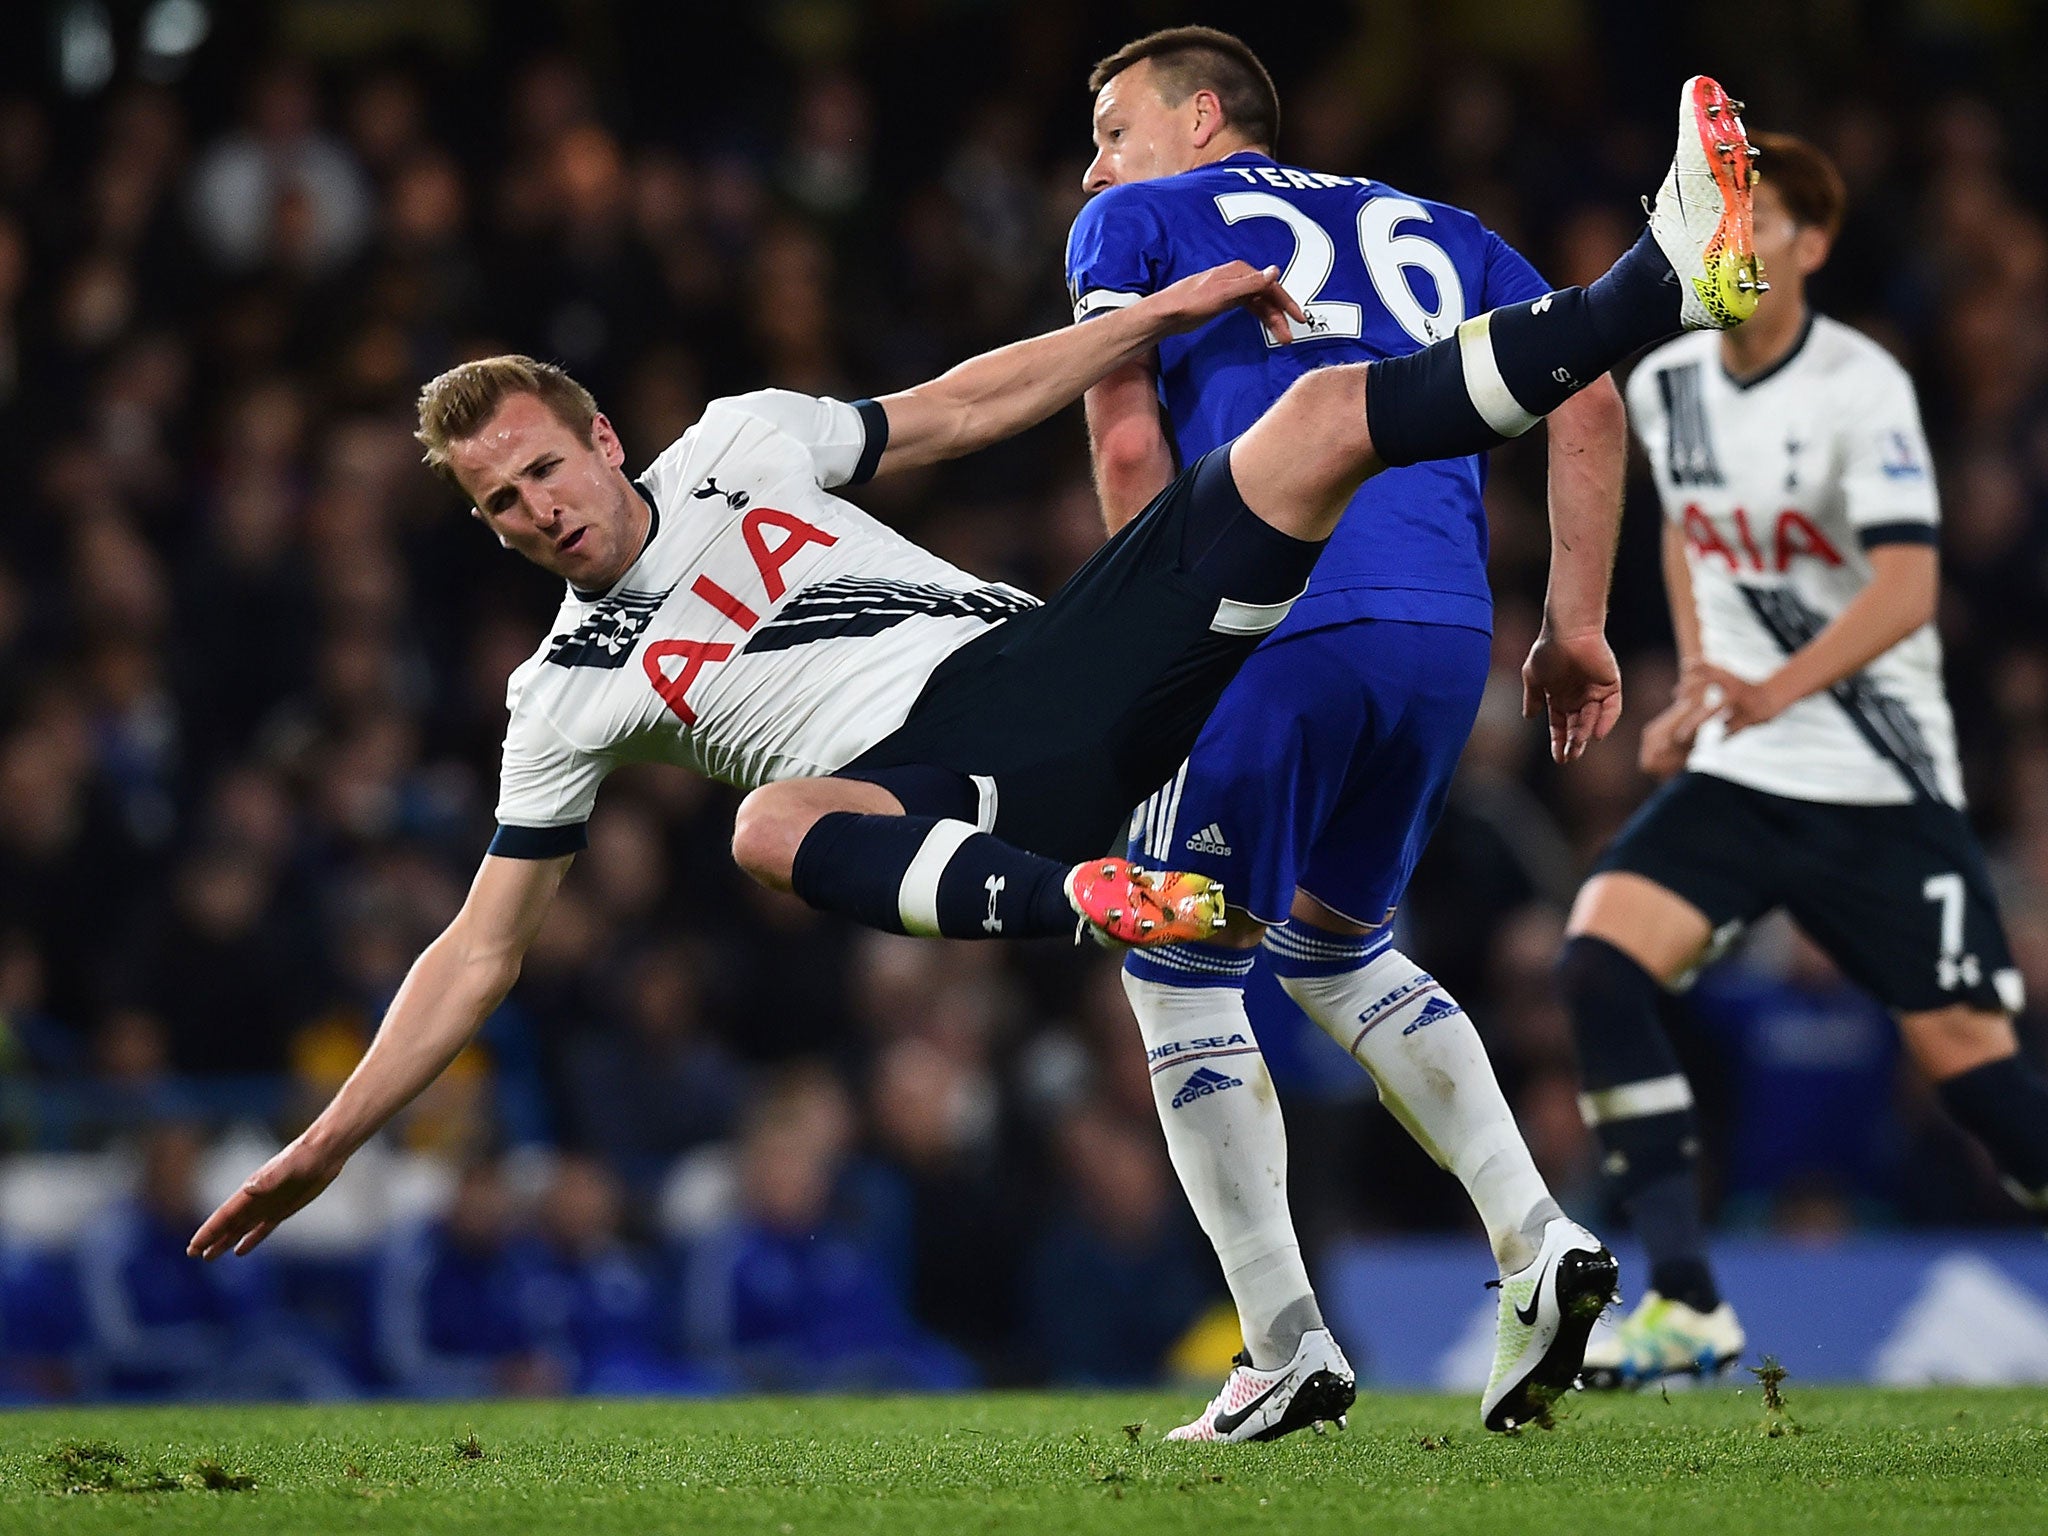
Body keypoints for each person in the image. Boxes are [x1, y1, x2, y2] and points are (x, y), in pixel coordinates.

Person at [188, 77, 1763, 1277]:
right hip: (952, 797)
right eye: (498, 507)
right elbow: (478, 952)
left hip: (1051, 666)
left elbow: (951, 410)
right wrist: (329, 1144)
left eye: (539, 470)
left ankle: (1659, 286)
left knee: (1318, 418)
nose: (535, 515)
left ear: (600, 439)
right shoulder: (561, 695)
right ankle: (1101, 907)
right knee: (765, 829)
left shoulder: (740, 441)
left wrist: (1156, 314)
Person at [1068, 26, 1631, 1439]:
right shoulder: (1446, 229)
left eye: (1113, 125)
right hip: (1444, 631)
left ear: (1203, 117)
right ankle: (1538, 1238)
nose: (1096, 161)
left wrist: (1151, 638)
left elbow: (1128, 437)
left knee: (1176, 959)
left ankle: (1284, 1344)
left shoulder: (1136, 219)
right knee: (1334, 946)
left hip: (1273, 608)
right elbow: (1591, 392)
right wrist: (1573, 624)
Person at [1559, 132, 2044, 1388]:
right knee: (1601, 958)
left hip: (1878, 789)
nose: (1735, 239)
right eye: (1720, 215)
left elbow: (1904, 589)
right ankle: (1683, 1301)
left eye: (1759, 219)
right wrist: (1691, 684)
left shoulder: (1858, 384)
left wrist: (1767, 686)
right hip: (1742, 775)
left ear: (1810, 246)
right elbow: (1685, 540)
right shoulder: (1666, 383)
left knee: (1980, 1085)